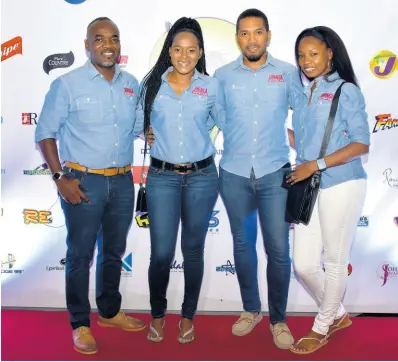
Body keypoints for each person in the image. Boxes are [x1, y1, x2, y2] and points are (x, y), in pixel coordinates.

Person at [35, 17, 145, 355]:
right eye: (99, 39)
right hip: (83, 182)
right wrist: (59, 177)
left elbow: (141, 126)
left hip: (123, 182)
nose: (108, 45)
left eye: (114, 38)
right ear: (87, 45)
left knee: (113, 252)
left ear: (120, 45)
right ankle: (80, 324)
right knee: (80, 255)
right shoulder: (67, 84)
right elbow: (45, 132)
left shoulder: (132, 84)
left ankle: (109, 311)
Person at [213, 8, 301, 349]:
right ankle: (251, 309)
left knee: (279, 250)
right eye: (245, 33)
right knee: (242, 245)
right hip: (233, 173)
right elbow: (209, 118)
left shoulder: (288, 73)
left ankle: (278, 320)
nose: (252, 39)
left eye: (258, 32)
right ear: (238, 38)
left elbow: (305, 115)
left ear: (268, 35)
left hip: (275, 173)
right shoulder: (220, 76)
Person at [136, 17, 224, 344]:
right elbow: (135, 124)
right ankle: (158, 314)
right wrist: (145, 130)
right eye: (177, 49)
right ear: (169, 50)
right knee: (161, 253)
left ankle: (187, 316)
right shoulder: (152, 86)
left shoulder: (211, 87)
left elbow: (230, 122)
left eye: (191, 49)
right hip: (161, 177)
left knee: (193, 251)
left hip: (202, 177)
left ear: (200, 51)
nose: (184, 55)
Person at [287, 26, 370, 354]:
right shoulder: (306, 92)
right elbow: (308, 140)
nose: (306, 60)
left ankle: (322, 327)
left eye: (314, 53)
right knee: (304, 264)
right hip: (312, 186)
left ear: (330, 54)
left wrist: (315, 164)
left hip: (343, 183)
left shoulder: (346, 90)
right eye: (301, 55)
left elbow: (361, 143)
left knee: (335, 261)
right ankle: (336, 313)